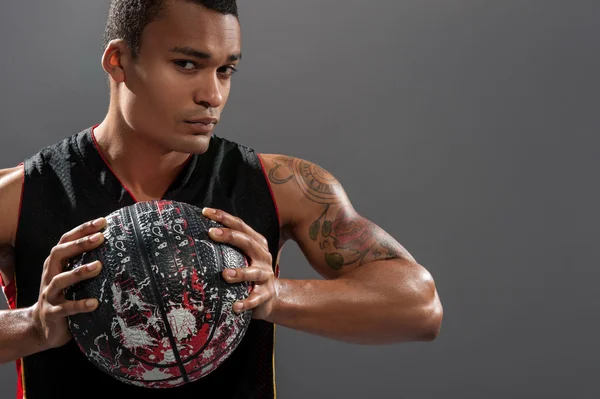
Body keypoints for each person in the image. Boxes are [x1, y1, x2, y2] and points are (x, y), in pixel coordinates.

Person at [0, 0, 443, 398]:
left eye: (225, 70)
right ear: (119, 61)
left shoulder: (279, 185)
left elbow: (420, 308)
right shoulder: (18, 196)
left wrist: (273, 297)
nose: (212, 95)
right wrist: (34, 325)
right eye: (186, 65)